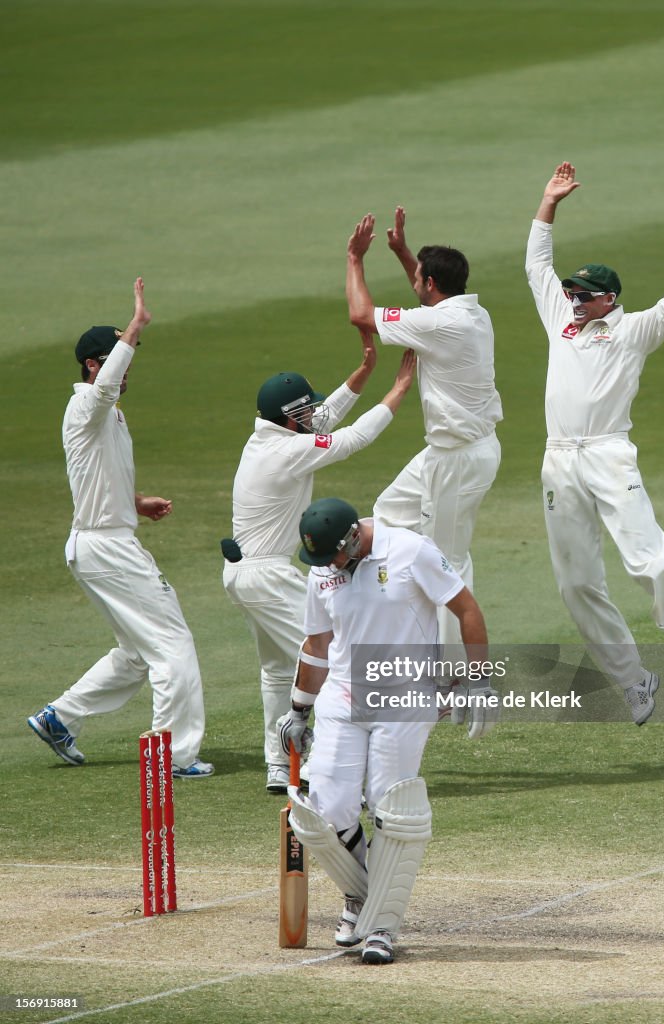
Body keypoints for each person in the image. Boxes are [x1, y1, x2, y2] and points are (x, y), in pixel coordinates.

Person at [525, 161, 664, 725]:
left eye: (585, 295)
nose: (573, 299)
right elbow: (536, 266)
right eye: (571, 291)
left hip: (609, 453)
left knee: (648, 559)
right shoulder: (560, 322)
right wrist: (549, 203)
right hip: (558, 461)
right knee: (576, 584)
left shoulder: (633, 330)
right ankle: (634, 680)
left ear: (610, 299)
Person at [276, 496, 497, 965]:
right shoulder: (323, 568)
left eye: (333, 555)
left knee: (388, 807)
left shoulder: (410, 551)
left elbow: (467, 609)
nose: (329, 566)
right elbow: (317, 642)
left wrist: (478, 681)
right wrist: (299, 710)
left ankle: (380, 926)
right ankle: (361, 898)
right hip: (343, 695)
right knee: (325, 810)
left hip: (406, 696)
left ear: (353, 536)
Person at [27, 278, 213, 778]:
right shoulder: (87, 403)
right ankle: (173, 755)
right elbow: (107, 384)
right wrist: (135, 325)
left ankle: (58, 717)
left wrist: (135, 502)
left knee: (135, 653)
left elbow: (92, 476)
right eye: (115, 357)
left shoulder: (105, 414)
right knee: (173, 645)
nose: (126, 367)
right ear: (93, 363)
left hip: (103, 538)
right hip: (107, 547)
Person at [222, 336, 416, 793]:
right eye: (306, 409)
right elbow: (352, 439)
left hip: (242, 574)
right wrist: (400, 387)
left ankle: (279, 762)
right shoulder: (286, 451)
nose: (314, 414)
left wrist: (364, 372)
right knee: (327, 661)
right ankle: (318, 766)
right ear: (291, 417)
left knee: (276, 670)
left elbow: (324, 418)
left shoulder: (272, 435)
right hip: (267, 574)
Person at [345, 209, 503, 647]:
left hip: (459, 458)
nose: (415, 281)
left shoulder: (439, 323)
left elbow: (361, 315)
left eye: (418, 277)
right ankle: (391, 612)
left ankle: (455, 675)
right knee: (387, 515)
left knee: (446, 560)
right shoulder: (472, 313)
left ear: (430, 285)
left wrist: (356, 259)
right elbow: (427, 298)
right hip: (449, 451)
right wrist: (400, 252)